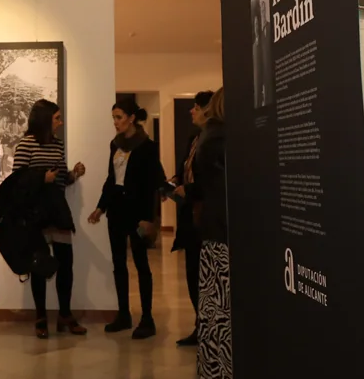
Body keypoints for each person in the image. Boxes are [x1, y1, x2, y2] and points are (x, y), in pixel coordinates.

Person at [88, 99, 165, 339]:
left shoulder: (147, 146)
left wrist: (147, 218)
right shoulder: (115, 144)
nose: (115, 122)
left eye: (119, 117)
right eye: (114, 118)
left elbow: (153, 185)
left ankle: (147, 318)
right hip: (117, 211)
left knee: (141, 264)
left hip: (137, 212)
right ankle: (124, 314)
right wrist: (101, 207)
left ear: (132, 118)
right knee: (119, 263)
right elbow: (112, 179)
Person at [12, 99, 87, 339]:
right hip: (35, 214)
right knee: (40, 266)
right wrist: (41, 179)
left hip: (57, 210)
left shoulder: (57, 145)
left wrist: (73, 174)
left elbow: (61, 178)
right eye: (56, 118)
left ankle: (65, 314)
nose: (60, 122)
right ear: (45, 119)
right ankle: (41, 317)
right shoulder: (25, 144)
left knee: (66, 264)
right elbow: (17, 182)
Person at [196, 88, 231, 379]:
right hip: (223, 228)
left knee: (214, 303)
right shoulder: (221, 140)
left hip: (214, 227)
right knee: (221, 305)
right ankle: (222, 371)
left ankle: (215, 370)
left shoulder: (210, 136)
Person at [175, 90, 215, 347]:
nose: (191, 111)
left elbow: (209, 182)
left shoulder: (212, 142)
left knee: (204, 275)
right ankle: (200, 325)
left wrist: (187, 190)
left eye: (196, 107)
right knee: (192, 273)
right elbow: (186, 172)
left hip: (206, 218)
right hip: (190, 218)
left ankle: (209, 328)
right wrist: (174, 183)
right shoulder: (195, 139)